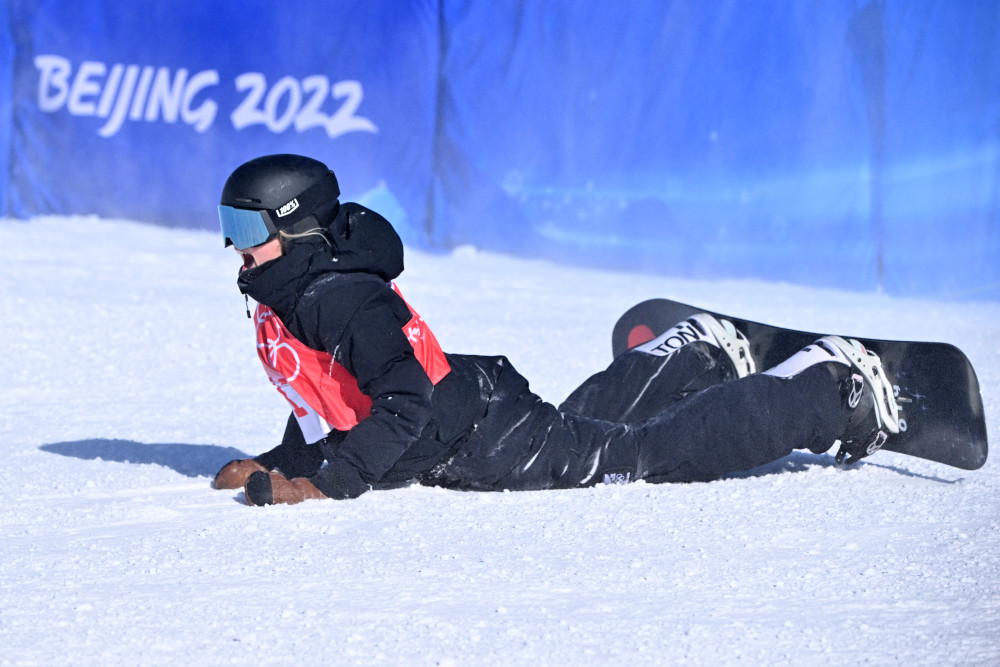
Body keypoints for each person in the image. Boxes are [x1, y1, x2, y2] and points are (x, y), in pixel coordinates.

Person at [212, 154, 902, 506]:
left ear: (297, 226)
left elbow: (405, 400)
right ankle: (686, 358)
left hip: (477, 432)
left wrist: (332, 483)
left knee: (641, 456)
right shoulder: (289, 294)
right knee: (590, 434)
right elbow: (319, 399)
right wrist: (288, 464)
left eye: (246, 228)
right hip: (471, 413)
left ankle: (826, 388)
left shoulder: (342, 299)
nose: (233, 245)